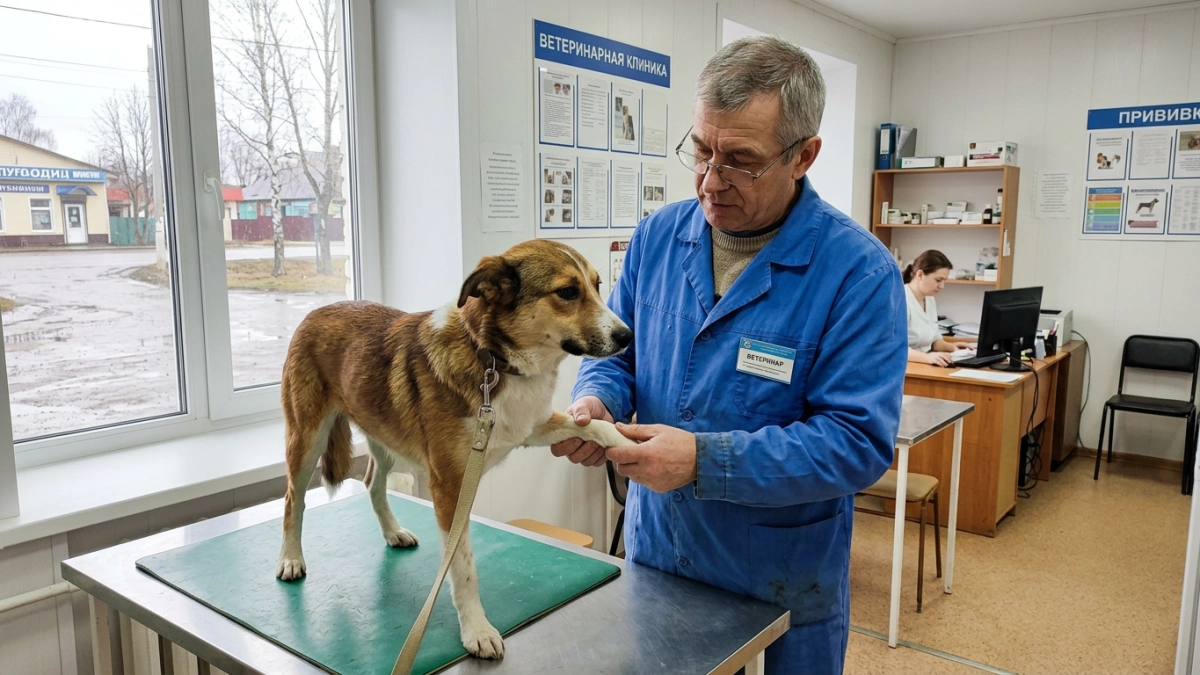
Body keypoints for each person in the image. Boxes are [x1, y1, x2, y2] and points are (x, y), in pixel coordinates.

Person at [550, 35, 907, 674]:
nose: (711, 181)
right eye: (702, 150)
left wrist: (703, 461)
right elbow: (618, 355)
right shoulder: (659, 237)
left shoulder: (859, 273)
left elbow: (856, 443)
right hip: (660, 556)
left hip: (778, 580)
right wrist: (597, 397)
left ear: (805, 156)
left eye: (741, 160)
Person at [903, 249, 966, 367]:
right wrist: (927, 358)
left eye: (944, 281)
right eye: (938, 280)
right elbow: (895, 348)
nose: (942, 286)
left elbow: (933, 341)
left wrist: (952, 347)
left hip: (925, 363)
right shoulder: (901, 300)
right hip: (907, 367)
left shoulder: (929, 299)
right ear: (920, 275)